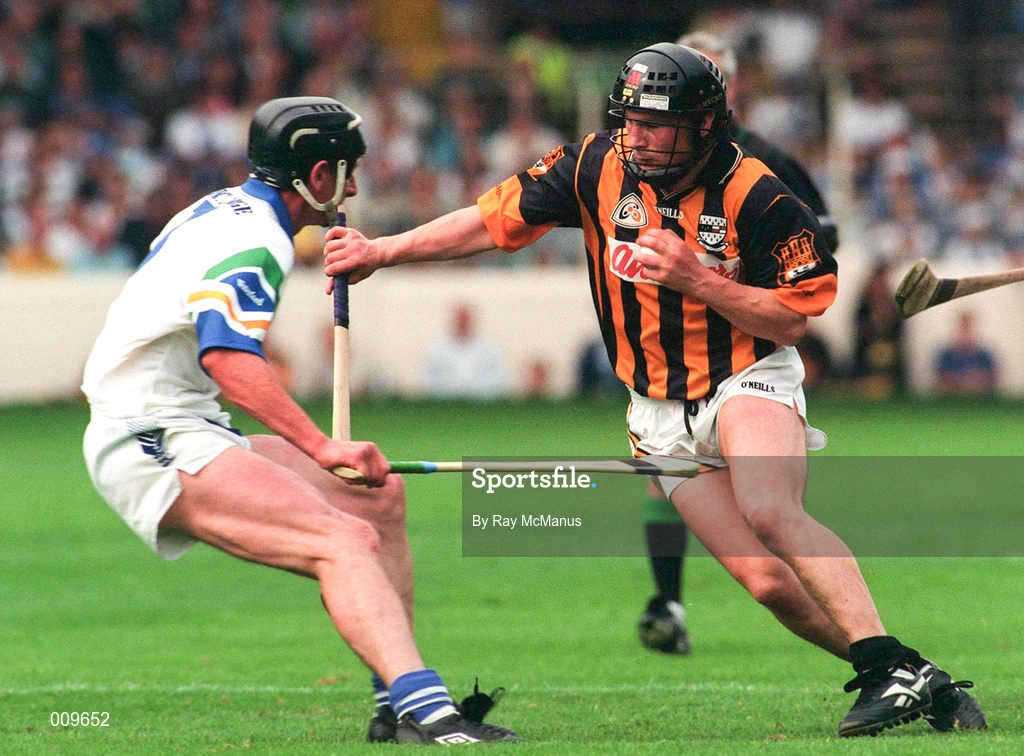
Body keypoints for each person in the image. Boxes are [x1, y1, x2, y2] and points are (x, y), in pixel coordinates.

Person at [323, 45, 986, 737]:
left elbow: (793, 320)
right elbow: (492, 219)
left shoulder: (757, 194)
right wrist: (382, 251)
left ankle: (889, 667)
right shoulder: (595, 164)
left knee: (767, 508)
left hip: (745, 375)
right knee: (768, 586)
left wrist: (698, 279)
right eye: (628, 119)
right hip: (656, 413)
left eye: (653, 123)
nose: (634, 135)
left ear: (703, 125)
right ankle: (910, 673)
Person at [82, 97, 519, 746]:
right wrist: (319, 445)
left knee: (377, 499)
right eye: (349, 171)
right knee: (341, 540)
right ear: (319, 177)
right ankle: (434, 718)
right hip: (149, 436)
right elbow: (226, 355)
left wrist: (328, 457)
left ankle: (393, 708)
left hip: (189, 423)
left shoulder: (229, 206)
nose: (356, 186)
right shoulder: (256, 238)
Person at [634, 30, 842, 659]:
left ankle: (880, 651)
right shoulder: (637, 163)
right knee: (664, 476)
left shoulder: (766, 163)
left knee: (770, 512)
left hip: (750, 356)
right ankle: (668, 598)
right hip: (670, 364)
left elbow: (817, 246)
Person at [934, 311, 998, 395]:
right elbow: (940, 382)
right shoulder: (946, 356)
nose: (965, 334)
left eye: (968, 329)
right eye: (963, 329)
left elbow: (992, 381)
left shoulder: (984, 356)